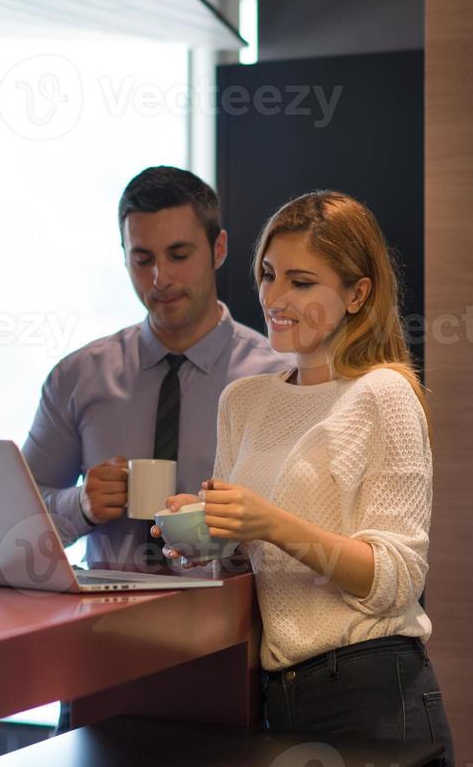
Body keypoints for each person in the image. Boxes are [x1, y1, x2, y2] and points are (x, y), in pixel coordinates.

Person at [158, 190, 455, 767]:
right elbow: (250, 554)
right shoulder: (244, 401)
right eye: (268, 275)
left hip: (374, 696)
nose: (272, 298)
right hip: (278, 697)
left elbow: (395, 578)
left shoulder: (384, 394)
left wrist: (268, 521)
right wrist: (205, 536)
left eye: (300, 281)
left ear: (357, 294)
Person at [22, 166, 289, 574]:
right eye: (143, 259)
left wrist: (235, 524)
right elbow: (17, 519)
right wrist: (79, 505)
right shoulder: (78, 377)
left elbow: (310, 524)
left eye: (179, 255)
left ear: (218, 249)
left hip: (232, 627)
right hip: (104, 627)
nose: (161, 278)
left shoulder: (279, 379)